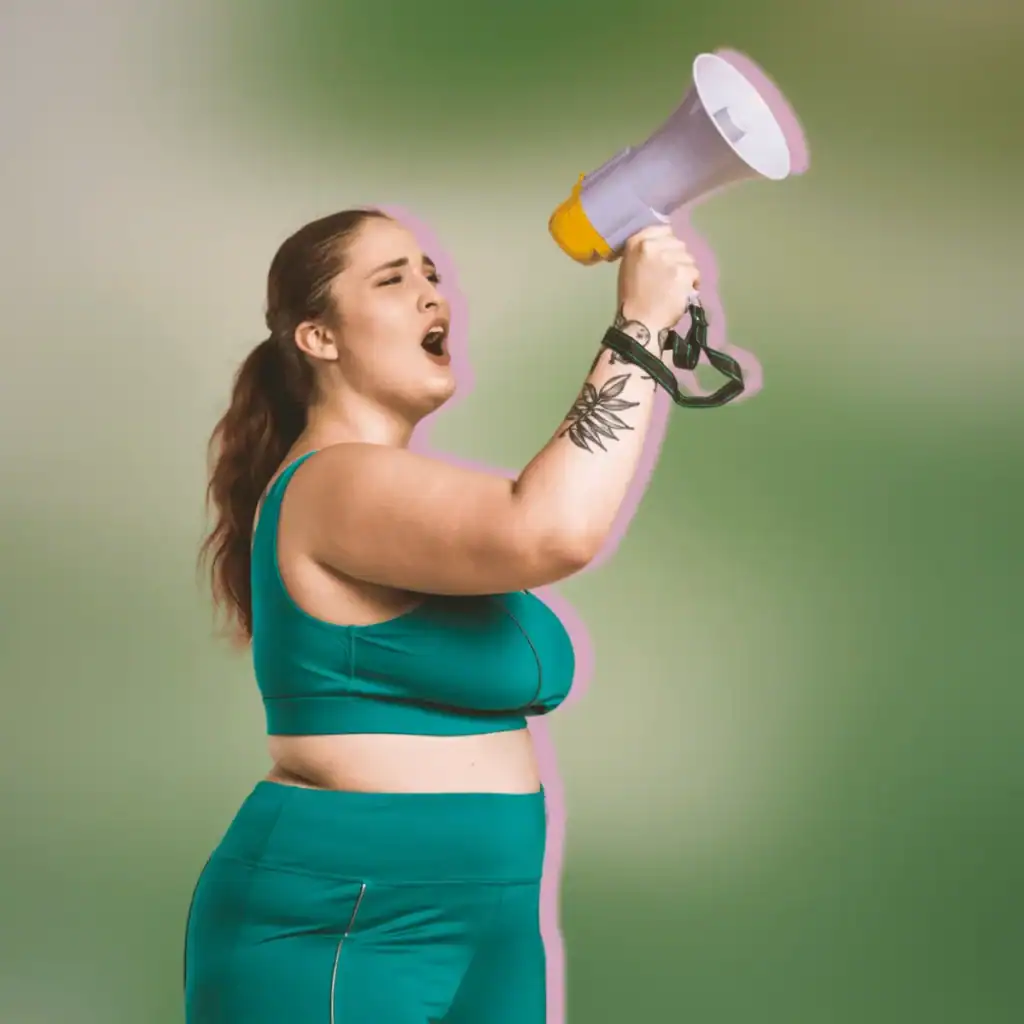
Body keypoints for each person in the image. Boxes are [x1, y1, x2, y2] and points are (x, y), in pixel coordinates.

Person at [185, 208, 700, 1023]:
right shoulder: (331, 484)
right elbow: (551, 527)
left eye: (430, 273)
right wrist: (637, 326)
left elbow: (556, 515)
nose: (434, 295)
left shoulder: (399, 501)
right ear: (319, 338)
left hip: (494, 916)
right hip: (344, 922)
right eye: (393, 280)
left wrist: (653, 338)